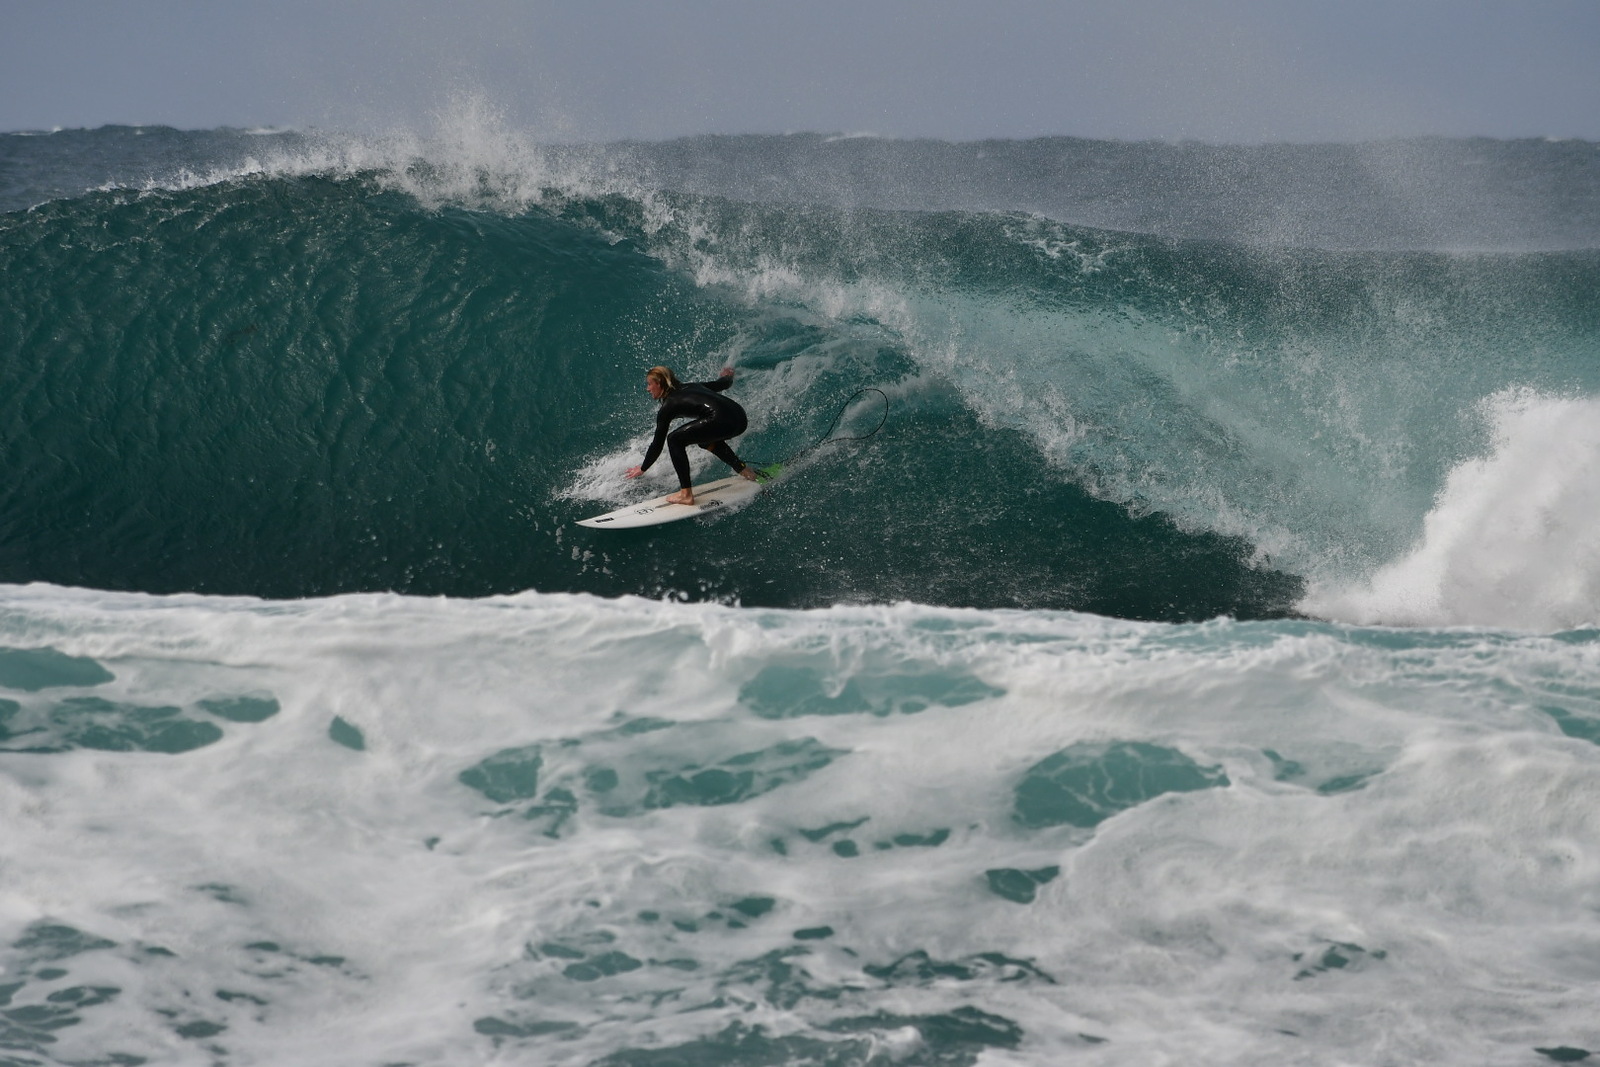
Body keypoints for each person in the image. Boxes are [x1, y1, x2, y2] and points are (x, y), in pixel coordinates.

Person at [625, 365, 759, 505]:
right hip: (739, 418)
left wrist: (642, 468)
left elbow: (657, 444)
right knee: (705, 439)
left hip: (722, 421)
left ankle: (686, 494)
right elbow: (723, 384)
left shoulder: (668, 406)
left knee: (674, 439)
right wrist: (728, 375)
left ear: (659, 384)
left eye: (649, 384)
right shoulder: (694, 386)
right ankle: (744, 470)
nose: (648, 389)